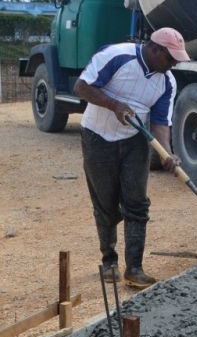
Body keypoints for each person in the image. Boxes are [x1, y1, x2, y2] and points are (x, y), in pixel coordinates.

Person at [74, 28, 190, 288]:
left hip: (136, 141)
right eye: (170, 59)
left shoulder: (167, 81)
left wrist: (168, 153)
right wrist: (114, 105)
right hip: (97, 136)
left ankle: (134, 268)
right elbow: (81, 86)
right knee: (105, 202)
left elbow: (161, 122)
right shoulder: (117, 56)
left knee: (137, 203)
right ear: (155, 49)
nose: (173, 65)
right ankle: (109, 261)